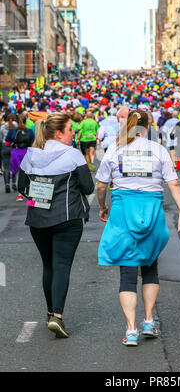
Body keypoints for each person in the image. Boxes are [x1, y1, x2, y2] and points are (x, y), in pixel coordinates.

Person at [96, 109, 180, 347]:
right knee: (150, 267)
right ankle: (149, 321)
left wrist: (102, 205)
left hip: (121, 210)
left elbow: (101, 184)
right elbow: (173, 184)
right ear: (148, 127)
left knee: (127, 271)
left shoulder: (115, 149)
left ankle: (131, 330)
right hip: (152, 211)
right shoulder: (157, 150)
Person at [18, 113, 94, 339]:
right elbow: (88, 187)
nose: (74, 133)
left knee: (48, 265)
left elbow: (23, 187)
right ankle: (57, 316)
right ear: (59, 133)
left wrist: (41, 197)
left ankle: (50, 311)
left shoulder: (30, 155)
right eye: (70, 129)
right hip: (67, 218)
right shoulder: (73, 155)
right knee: (61, 265)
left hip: (37, 219)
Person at [5, 114, 34, 201]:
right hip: (27, 152)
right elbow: (32, 143)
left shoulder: (12, 131)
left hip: (16, 152)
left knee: (18, 173)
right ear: (26, 122)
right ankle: (30, 194)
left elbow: (7, 143)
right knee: (28, 172)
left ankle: (20, 195)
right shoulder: (29, 131)